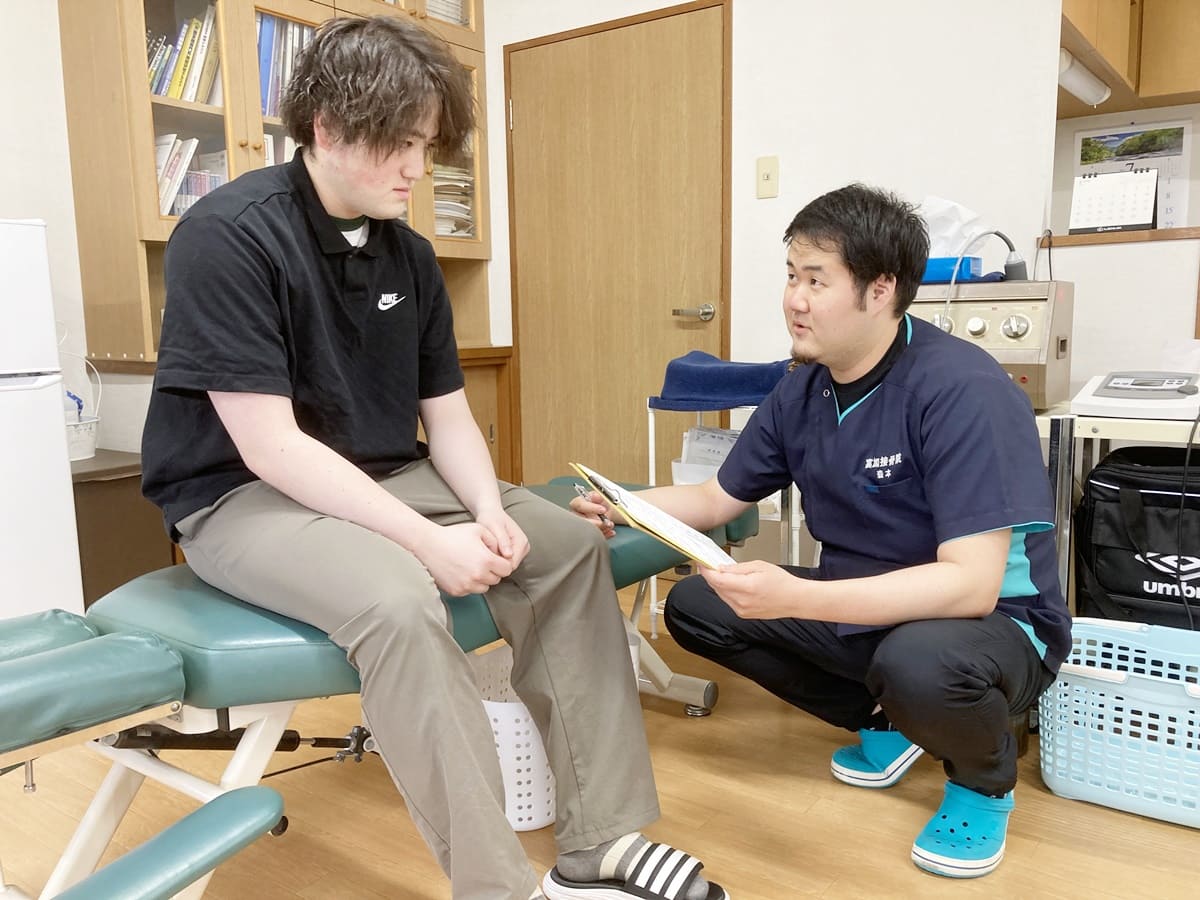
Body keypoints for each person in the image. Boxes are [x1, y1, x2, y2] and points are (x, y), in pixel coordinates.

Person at [141, 15, 728, 900]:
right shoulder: (229, 236)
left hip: (385, 470)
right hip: (242, 493)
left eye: (427, 145)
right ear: (329, 131)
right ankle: (494, 886)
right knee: (398, 600)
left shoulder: (408, 253)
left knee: (565, 548)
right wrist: (427, 542)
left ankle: (598, 841)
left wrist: (491, 511)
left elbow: (448, 417)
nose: (421, 168)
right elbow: (270, 446)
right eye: (402, 146)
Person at [572, 183, 1070, 879]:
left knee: (918, 664)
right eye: (790, 276)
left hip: (995, 627)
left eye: (816, 280)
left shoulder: (964, 391)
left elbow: (971, 586)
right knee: (698, 607)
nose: (793, 299)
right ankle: (887, 725)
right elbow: (717, 497)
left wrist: (795, 598)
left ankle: (982, 783)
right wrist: (623, 501)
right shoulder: (803, 388)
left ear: (880, 290)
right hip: (864, 603)